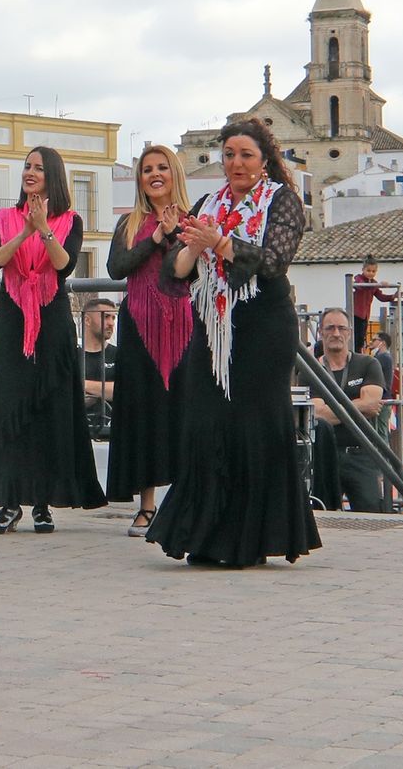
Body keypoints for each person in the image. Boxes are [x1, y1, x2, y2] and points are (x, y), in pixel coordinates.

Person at [146, 116, 320, 568]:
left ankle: (252, 538)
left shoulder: (282, 201)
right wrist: (192, 247)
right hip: (213, 326)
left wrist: (219, 242)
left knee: (254, 425)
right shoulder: (208, 202)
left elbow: (273, 261)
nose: (236, 163)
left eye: (245, 155)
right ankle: (205, 535)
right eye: (229, 155)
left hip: (262, 327)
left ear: (264, 160)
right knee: (207, 423)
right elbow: (174, 274)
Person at [0, 146, 106, 534]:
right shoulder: (3, 217)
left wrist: (44, 228)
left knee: (49, 408)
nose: (29, 172)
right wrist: (25, 232)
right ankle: (8, 501)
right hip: (11, 318)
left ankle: (43, 503)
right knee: (9, 406)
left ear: (53, 177)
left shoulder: (70, 220)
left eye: (38, 168)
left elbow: (63, 266)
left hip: (52, 319)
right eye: (27, 167)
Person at [105, 143, 193, 537]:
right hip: (139, 326)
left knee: (183, 411)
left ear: (174, 173)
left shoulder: (194, 221)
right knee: (143, 413)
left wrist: (175, 234)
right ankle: (146, 505)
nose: (154, 174)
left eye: (162, 167)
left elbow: (191, 274)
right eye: (146, 169)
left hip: (185, 326)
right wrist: (156, 236)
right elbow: (115, 269)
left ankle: (187, 500)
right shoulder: (128, 224)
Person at [307, 307, 389, 512]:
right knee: (324, 517)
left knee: (371, 515)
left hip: (361, 454)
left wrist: (330, 409)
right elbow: (316, 414)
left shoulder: (368, 364)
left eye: (341, 328)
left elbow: (372, 405)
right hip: (325, 456)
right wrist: (358, 406)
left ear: (349, 332)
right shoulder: (310, 371)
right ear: (321, 333)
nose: (336, 333)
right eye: (330, 328)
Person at [80, 298, 118, 439]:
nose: (111, 323)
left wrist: (84, 384)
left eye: (113, 318)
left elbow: (123, 390)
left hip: (111, 434)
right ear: (87, 320)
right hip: (79, 434)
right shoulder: (72, 356)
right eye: (105, 316)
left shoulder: (119, 355)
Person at [352, 256, 398, 351]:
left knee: (361, 338)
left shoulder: (373, 283)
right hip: (356, 315)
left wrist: (393, 296)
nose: (370, 273)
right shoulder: (359, 279)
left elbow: (381, 296)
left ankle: (360, 353)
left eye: (373, 271)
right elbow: (362, 287)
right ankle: (356, 353)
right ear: (363, 270)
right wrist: (377, 285)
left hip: (364, 316)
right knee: (356, 338)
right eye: (368, 271)